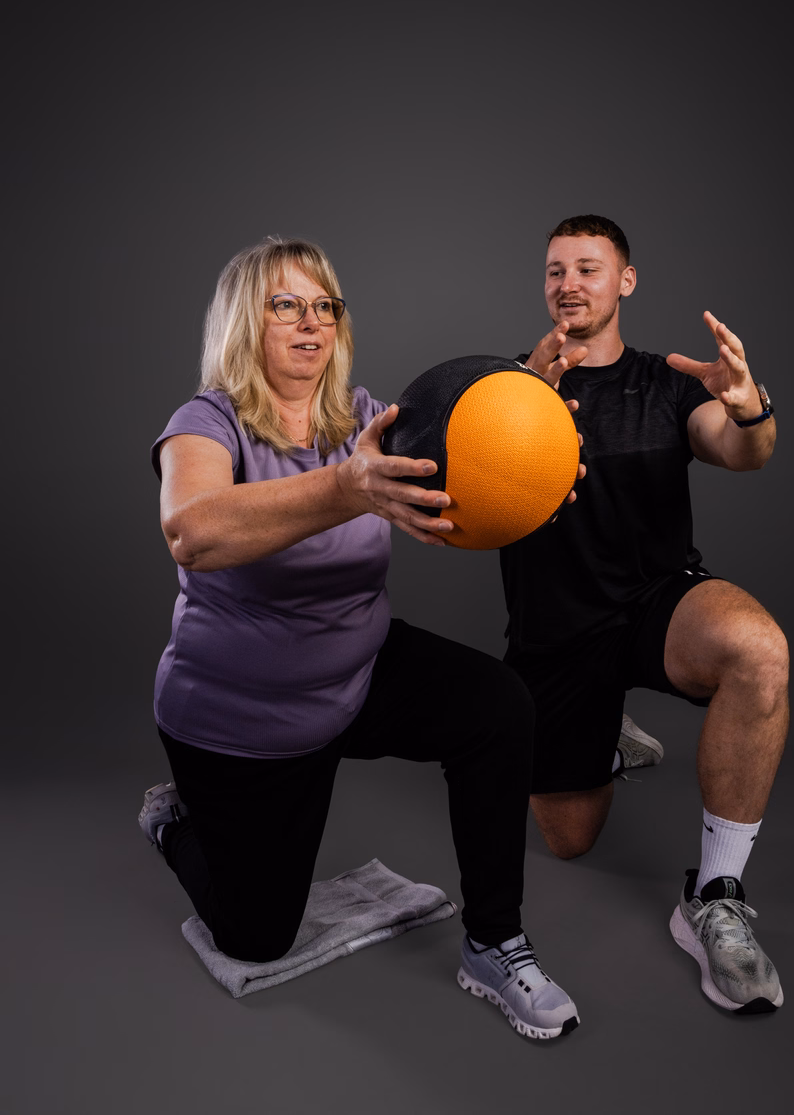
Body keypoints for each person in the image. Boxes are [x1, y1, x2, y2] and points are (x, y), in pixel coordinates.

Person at [139, 236, 580, 1040]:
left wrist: (535, 444)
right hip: (243, 717)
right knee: (256, 936)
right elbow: (192, 533)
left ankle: (493, 941)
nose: (311, 325)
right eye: (286, 306)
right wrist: (345, 488)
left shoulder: (367, 421)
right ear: (246, 320)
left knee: (498, 707)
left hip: (357, 671)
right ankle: (176, 821)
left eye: (325, 307)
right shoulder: (204, 423)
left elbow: (464, 447)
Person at [500, 214, 788, 1015]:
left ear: (625, 281)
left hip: (654, 606)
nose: (569, 284)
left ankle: (715, 895)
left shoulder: (666, 383)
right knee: (569, 840)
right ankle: (607, 735)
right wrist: (527, 392)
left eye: (588, 269)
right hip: (555, 635)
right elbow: (463, 488)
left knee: (758, 648)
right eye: (556, 270)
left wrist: (746, 404)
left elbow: (742, 451)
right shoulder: (506, 386)